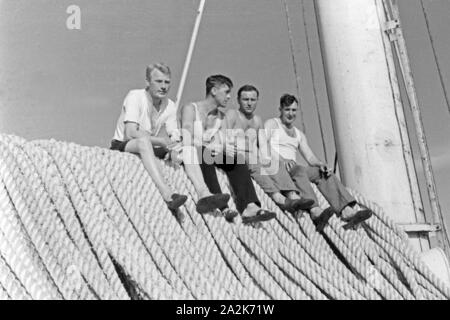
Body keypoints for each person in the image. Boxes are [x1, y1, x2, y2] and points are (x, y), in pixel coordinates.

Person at [110, 63, 228, 213]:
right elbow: (130, 132)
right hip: (123, 144)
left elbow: (173, 133)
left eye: (167, 82)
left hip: (151, 145)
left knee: (188, 149)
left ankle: (203, 193)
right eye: (158, 82)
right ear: (148, 82)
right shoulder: (135, 96)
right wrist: (160, 141)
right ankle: (168, 193)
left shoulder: (169, 105)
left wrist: (177, 144)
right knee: (143, 142)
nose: (163, 86)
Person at [264, 94, 373, 231]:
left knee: (323, 173)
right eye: (287, 110)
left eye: (293, 110)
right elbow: (263, 144)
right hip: (279, 167)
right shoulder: (272, 124)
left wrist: (320, 164)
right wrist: (282, 159)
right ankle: (315, 211)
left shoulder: (298, 134)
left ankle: (346, 211)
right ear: (280, 109)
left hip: (295, 167)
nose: (291, 114)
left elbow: (309, 157)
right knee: (298, 170)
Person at [180, 75, 276, 224]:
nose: (229, 96)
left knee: (237, 160)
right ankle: (221, 204)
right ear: (213, 91)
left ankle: (249, 206)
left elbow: (223, 141)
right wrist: (213, 146)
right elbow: (187, 134)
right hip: (191, 152)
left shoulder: (221, 117)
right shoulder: (190, 108)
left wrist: (227, 147)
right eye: (226, 92)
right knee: (205, 153)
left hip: (210, 152)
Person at [224, 84, 314, 214]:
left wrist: (270, 160)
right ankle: (278, 198)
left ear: (257, 101)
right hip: (238, 159)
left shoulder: (258, 120)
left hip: (254, 158)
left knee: (272, 161)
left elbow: (264, 148)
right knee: (253, 160)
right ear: (238, 100)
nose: (249, 103)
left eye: (253, 100)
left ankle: (292, 196)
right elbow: (224, 137)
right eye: (245, 99)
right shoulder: (232, 114)